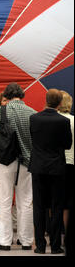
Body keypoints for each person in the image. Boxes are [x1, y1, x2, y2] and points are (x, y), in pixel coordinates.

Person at [0, 82, 36, 251]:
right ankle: (26, 241)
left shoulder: (0, 111)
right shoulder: (32, 112)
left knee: (5, 201)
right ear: (21, 95)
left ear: (6, 95)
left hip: (5, 161)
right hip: (27, 162)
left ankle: (5, 241)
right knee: (26, 202)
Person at [29, 89, 72, 254]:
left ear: (45, 100)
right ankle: (55, 245)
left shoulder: (34, 119)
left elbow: (33, 140)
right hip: (57, 168)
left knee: (39, 207)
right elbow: (67, 144)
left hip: (38, 167)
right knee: (56, 206)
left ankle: (40, 245)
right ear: (60, 103)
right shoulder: (62, 121)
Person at [57, 91, 74, 245]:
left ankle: (54, 233)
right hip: (71, 164)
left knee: (55, 201)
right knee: (68, 202)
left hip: (55, 164)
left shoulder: (52, 120)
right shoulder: (74, 121)